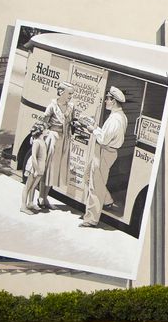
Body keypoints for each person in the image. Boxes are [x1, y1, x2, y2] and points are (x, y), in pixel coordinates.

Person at [80, 87, 127, 228]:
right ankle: (107, 201)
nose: (106, 101)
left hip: (105, 151)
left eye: (108, 99)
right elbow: (107, 135)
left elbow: (104, 139)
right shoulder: (119, 116)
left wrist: (92, 129)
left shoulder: (115, 119)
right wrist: (96, 127)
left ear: (113, 101)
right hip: (105, 151)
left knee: (95, 187)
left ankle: (91, 219)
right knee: (89, 177)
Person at [38, 82, 75, 211]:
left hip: (64, 140)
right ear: (61, 92)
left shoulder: (71, 107)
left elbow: (72, 123)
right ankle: (41, 197)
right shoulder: (52, 106)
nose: (71, 96)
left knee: (54, 171)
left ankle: (45, 197)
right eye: (69, 93)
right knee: (47, 168)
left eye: (72, 93)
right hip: (52, 139)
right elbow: (43, 124)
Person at [21, 122, 49, 215]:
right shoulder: (37, 142)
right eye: (46, 129)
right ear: (41, 132)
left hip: (40, 167)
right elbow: (33, 157)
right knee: (28, 187)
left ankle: (30, 203)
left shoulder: (43, 141)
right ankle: (23, 206)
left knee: (33, 186)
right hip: (34, 167)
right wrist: (36, 170)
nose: (47, 131)